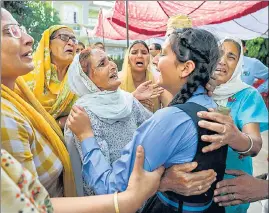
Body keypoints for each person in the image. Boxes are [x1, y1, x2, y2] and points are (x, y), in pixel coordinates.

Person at [68, 28, 227, 212]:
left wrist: (86, 136)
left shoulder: (167, 118)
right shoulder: (209, 104)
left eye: (164, 54)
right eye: (102, 63)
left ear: (186, 68)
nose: (156, 59)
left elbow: (111, 188)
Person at [65, 48, 163, 195]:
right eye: (102, 64)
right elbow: (101, 181)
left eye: (109, 59)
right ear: (87, 80)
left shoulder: (126, 99)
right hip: (111, 198)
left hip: (141, 187)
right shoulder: (84, 114)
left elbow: (156, 127)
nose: (112, 65)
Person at [1, 8, 76, 197]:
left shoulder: (18, 90)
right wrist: (124, 201)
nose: (28, 38)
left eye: (74, 39)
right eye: (10, 31)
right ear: (47, 45)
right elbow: (31, 203)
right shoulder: (27, 83)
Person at [197, 37, 268, 213]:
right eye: (219, 54)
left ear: (238, 64)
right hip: (197, 185)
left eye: (231, 57)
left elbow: (255, 145)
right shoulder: (197, 89)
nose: (222, 61)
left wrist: (234, 137)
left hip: (230, 188)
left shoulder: (246, 95)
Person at [1, 147, 165, 213]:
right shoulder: (83, 112)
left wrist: (129, 200)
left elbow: (39, 203)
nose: (113, 69)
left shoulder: (129, 101)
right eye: (100, 68)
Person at [23, 24, 78, 129]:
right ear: (48, 44)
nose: (71, 43)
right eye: (64, 37)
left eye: (74, 39)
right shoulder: (27, 77)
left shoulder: (80, 78)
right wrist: (59, 124)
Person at [120, 40, 173, 111]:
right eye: (134, 52)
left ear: (149, 59)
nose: (139, 56)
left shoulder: (158, 80)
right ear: (128, 59)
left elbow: (170, 108)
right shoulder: (117, 81)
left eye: (144, 53)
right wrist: (133, 99)